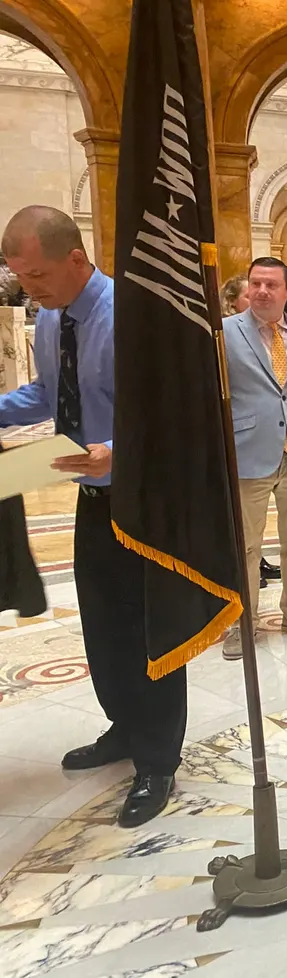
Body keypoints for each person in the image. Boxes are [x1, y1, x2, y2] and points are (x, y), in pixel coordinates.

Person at [0, 205, 186, 827]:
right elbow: (47, 395)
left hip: (143, 501)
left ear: (76, 259)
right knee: (103, 625)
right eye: (21, 278)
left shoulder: (131, 316)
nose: (29, 290)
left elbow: (170, 411)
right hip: (89, 497)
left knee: (149, 631)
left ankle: (158, 758)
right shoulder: (53, 319)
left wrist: (116, 450)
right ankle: (125, 727)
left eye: (37, 276)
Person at [219, 257, 287, 659]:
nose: (261, 291)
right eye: (256, 283)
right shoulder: (224, 333)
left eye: (271, 285)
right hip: (248, 451)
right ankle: (242, 622)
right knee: (245, 545)